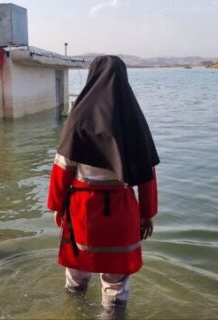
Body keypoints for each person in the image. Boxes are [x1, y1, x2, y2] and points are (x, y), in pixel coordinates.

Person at [47, 55, 160, 316]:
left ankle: (74, 312)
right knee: (116, 282)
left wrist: (56, 206)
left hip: (82, 212)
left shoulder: (78, 117)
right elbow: (147, 174)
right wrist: (147, 214)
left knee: (76, 275)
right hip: (122, 212)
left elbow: (63, 168)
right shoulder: (133, 120)